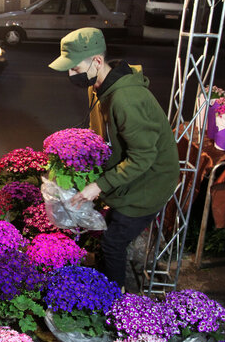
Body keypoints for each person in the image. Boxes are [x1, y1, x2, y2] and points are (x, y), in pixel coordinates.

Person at [51, 27, 179, 289]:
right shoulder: (98, 87)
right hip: (129, 176)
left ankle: (113, 302)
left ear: (97, 61)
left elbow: (143, 158)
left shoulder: (126, 99)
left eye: (75, 68)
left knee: (112, 243)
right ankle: (104, 285)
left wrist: (98, 186)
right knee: (107, 235)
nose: (70, 74)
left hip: (149, 182)